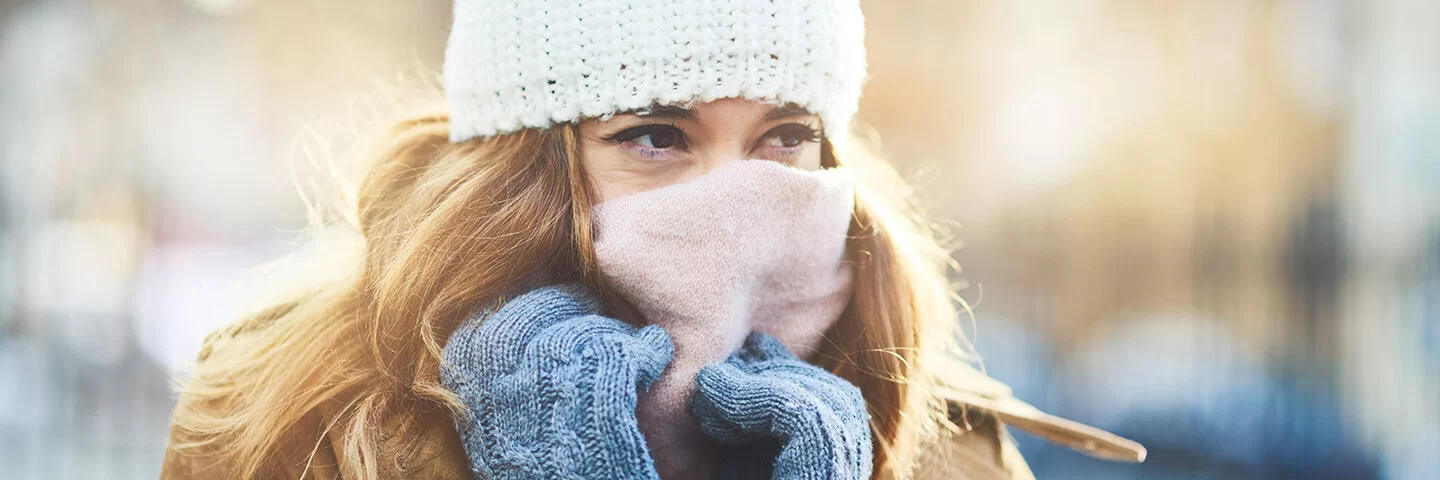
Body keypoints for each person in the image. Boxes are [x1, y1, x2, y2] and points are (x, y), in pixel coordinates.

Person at [161, 0, 1145, 478]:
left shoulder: (942, 442)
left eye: (784, 138)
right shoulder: (299, 419)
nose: (736, 203)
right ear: (522, 169)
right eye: (656, 136)